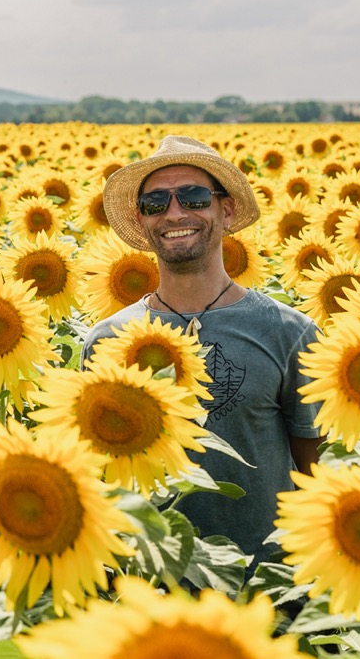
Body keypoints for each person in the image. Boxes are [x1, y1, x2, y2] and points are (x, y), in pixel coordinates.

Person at [83, 134, 324, 566]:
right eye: (155, 203)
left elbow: (315, 473)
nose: (175, 213)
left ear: (226, 210)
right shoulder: (105, 341)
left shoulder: (289, 333)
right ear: (141, 221)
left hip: (263, 584)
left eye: (194, 197)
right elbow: (97, 474)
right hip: (149, 581)